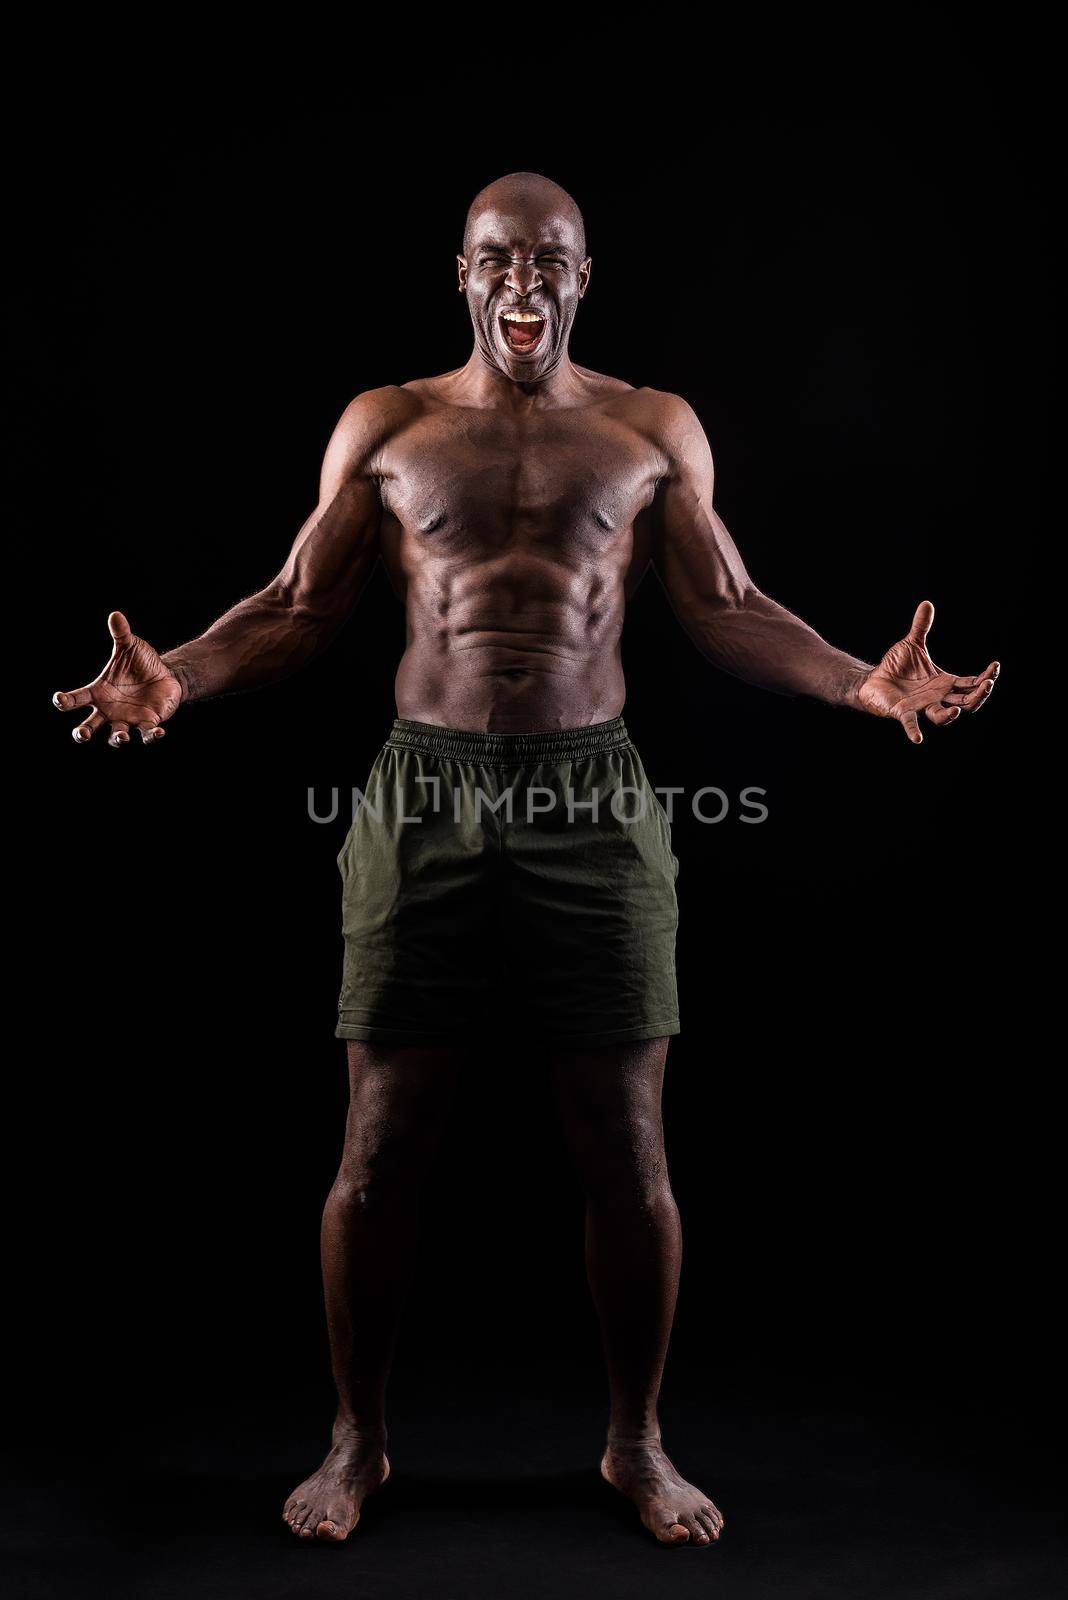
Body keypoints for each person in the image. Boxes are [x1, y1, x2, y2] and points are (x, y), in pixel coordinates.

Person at [52, 171, 999, 1548]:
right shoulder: (389, 427)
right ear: (461, 275)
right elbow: (299, 604)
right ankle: (357, 1440)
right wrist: (181, 683)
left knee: (624, 1141)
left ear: (584, 276)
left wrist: (862, 683)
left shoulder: (647, 429)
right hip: (420, 792)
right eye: (498, 260)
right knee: (380, 1146)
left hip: (593, 793)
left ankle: (637, 1445)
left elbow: (725, 604)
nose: (523, 284)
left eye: (548, 261)